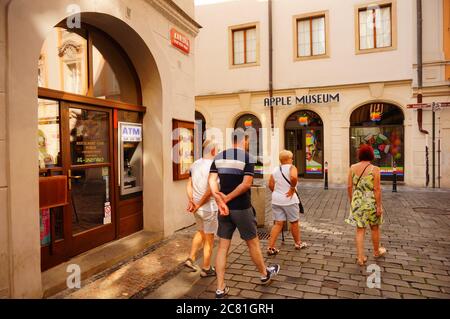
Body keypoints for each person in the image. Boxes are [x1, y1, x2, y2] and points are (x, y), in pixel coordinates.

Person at [208, 128, 280, 299]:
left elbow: (211, 181)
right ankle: (264, 274)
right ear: (244, 141)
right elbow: (246, 184)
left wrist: (220, 200)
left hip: (223, 210)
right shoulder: (247, 158)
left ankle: (220, 288)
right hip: (241, 208)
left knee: (223, 247)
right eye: (247, 141)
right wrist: (227, 198)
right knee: (252, 243)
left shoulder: (218, 157)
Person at [345, 144, 387, 266]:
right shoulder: (375, 169)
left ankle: (360, 257)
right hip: (371, 202)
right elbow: (377, 189)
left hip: (357, 200)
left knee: (360, 230)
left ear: (360, 155)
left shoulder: (352, 167)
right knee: (374, 227)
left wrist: (352, 200)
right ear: (371, 155)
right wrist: (379, 206)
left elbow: (349, 186)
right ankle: (376, 251)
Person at [185, 140, 218, 277]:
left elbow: (189, 184)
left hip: (197, 208)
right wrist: (197, 203)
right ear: (213, 151)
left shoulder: (195, 164)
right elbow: (211, 190)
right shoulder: (214, 166)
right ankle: (206, 268)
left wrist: (192, 200)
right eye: (217, 149)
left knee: (200, 232)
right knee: (209, 239)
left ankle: (191, 258)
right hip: (208, 207)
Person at [267, 150, 307, 255]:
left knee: (278, 223)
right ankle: (298, 243)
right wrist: (292, 188)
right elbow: (294, 177)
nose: (292, 159)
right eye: (291, 158)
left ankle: (270, 247)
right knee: (294, 222)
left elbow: (270, 184)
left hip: (276, 200)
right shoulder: (292, 168)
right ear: (288, 159)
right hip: (289, 200)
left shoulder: (275, 169)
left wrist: (277, 193)